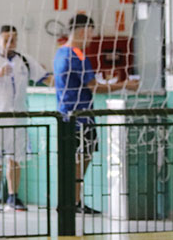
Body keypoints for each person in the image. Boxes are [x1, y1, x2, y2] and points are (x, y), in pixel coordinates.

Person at [53, 13, 139, 214]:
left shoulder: (60, 53)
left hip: (66, 115)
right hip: (80, 118)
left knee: (74, 160)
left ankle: (71, 200)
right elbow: (93, 86)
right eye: (91, 32)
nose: (92, 37)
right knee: (80, 159)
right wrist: (124, 84)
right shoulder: (77, 55)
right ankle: (72, 202)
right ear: (83, 31)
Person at [0, 25, 52, 212]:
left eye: (14, 38)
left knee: (15, 159)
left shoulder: (24, 60)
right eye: (7, 38)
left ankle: (13, 196)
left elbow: (46, 78)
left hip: (18, 118)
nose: (11, 42)